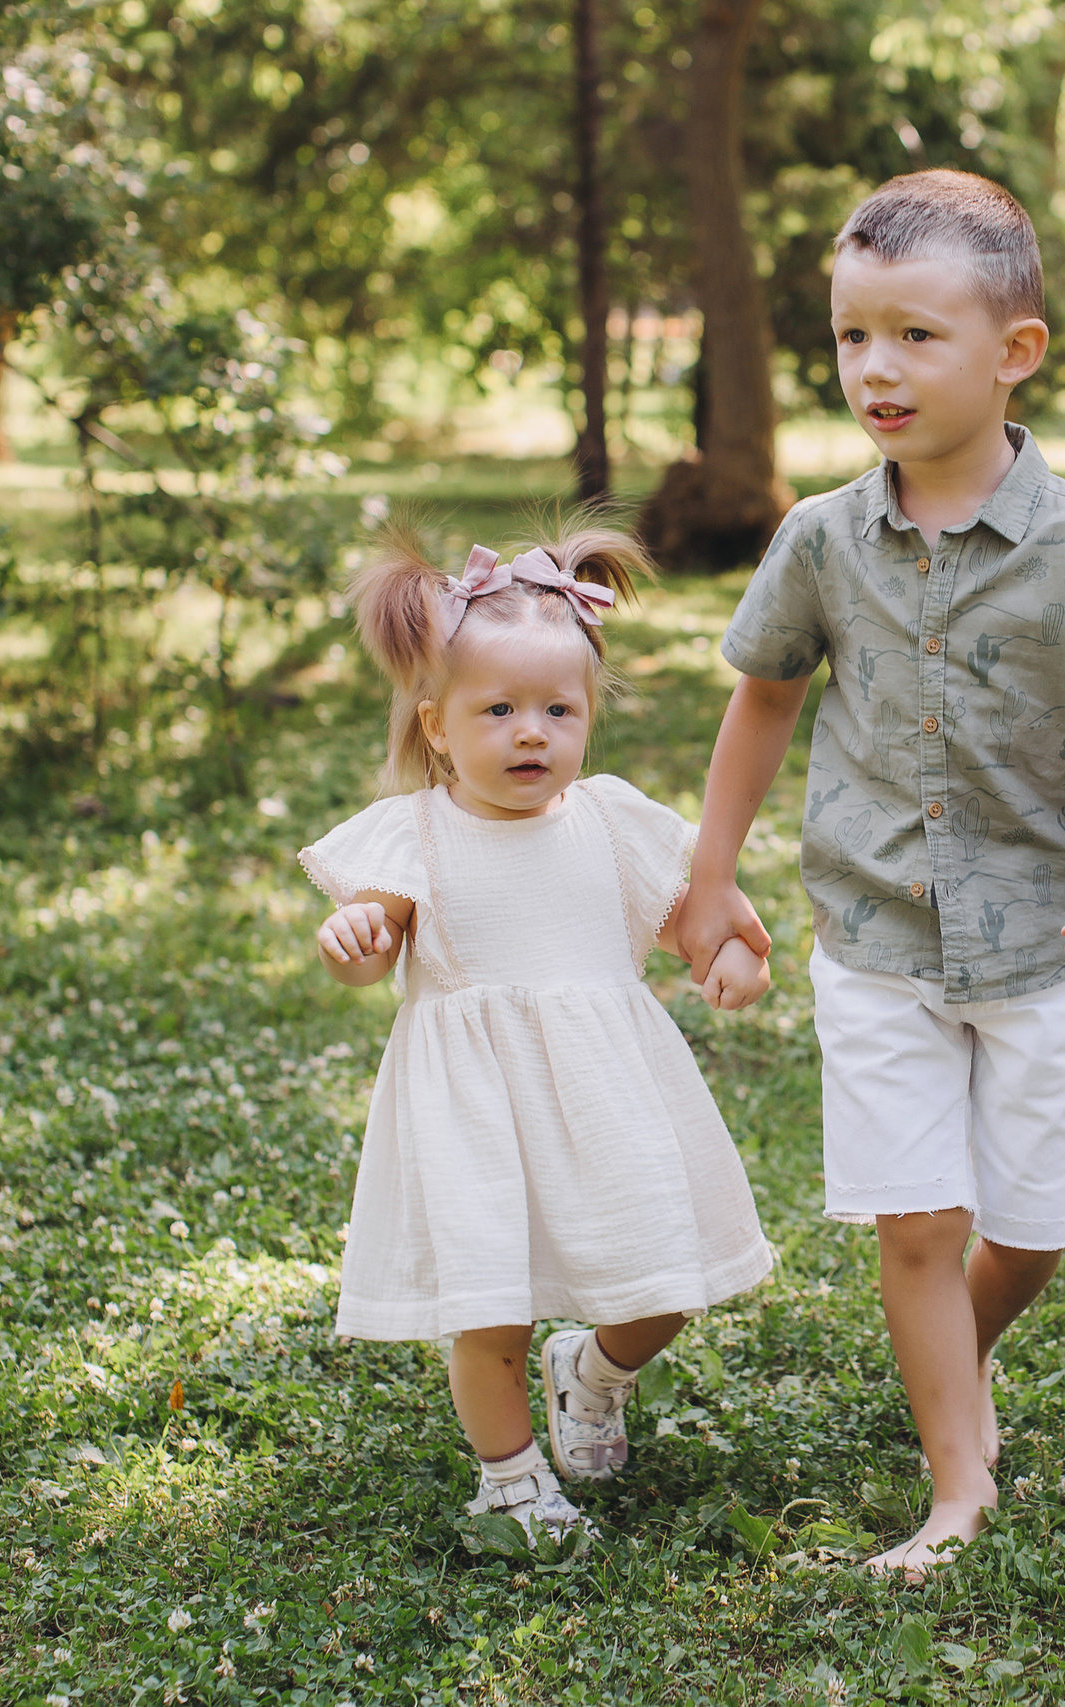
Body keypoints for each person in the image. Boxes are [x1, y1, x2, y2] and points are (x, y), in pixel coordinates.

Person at [674, 170, 1065, 1578]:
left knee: (1025, 1231)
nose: (876, 369)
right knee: (915, 1216)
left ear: (1013, 350)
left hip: (1048, 939)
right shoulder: (822, 538)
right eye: (854, 336)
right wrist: (709, 874)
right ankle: (958, 1484)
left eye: (916, 335)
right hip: (875, 931)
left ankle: (948, 1376)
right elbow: (764, 701)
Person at [301, 523, 776, 1541]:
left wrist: (730, 957)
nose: (531, 733)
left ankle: (594, 1370)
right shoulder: (414, 836)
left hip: (608, 1098)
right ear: (436, 725)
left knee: (665, 1282)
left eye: (558, 710)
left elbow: (690, 926)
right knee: (490, 1310)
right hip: (474, 1117)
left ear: (588, 717)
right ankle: (511, 1480)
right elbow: (372, 945)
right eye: (500, 710)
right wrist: (352, 936)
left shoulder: (609, 822)